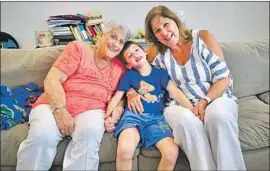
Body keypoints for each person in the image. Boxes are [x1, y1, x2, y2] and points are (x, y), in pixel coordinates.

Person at [126, 5, 246, 170]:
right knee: (186, 122)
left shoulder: (202, 37)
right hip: (178, 105)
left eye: (166, 24)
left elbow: (223, 78)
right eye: (157, 31)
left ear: (176, 21)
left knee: (219, 116)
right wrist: (131, 91)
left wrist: (204, 102)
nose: (164, 33)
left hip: (214, 98)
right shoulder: (157, 51)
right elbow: (134, 71)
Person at [16, 21, 130, 171]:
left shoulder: (119, 68)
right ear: (101, 35)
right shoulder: (78, 49)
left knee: (90, 133)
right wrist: (60, 110)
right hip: (55, 104)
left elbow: (120, 97)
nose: (116, 44)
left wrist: (116, 112)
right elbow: (52, 79)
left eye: (121, 42)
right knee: (42, 135)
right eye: (113, 37)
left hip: (92, 110)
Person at [104, 40, 194, 171]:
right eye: (130, 55)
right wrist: (108, 117)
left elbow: (176, 92)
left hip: (156, 120)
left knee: (171, 152)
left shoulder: (160, 74)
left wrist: (193, 111)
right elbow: (116, 98)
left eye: (136, 50)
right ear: (128, 65)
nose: (134, 54)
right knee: (124, 150)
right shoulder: (128, 76)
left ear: (145, 52)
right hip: (132, 118)